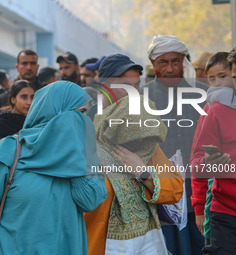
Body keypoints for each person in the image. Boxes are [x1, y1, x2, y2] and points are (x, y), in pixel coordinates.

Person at [0, 81, 107, 254]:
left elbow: (90, 200)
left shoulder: (82, 152)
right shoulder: (9, 152)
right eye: (81, 113)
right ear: (57, 113)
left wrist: (75, 153)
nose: (86, 120)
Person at [84, 54, 184, 255]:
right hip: (97, 245)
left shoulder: (142, 137)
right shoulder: (82, 133)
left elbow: (175, 190)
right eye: (126, 86)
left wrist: (143, 172)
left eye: (136, 86)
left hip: (146, 243)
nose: (133, 94)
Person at [144, 35, 208, 255]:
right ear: (153, 64)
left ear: (184, 61)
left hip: (200, 193)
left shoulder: (203, 94)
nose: (170, 68)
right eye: (163, 62)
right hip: (160, 194)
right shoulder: (142, 99)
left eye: (175, 61)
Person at [190, 47, 236, 255]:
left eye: (223, 77)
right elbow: (197, 162)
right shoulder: (214, 109)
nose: (219, 84)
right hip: (224, 212)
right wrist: (200, 209)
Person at [0, 50, 42, 125]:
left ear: (37, 67)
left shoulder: (47, 94)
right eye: (24, 63)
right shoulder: (4, 97)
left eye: (32, 63)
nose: (29, 67)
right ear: (17, 67)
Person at [0, 80, 34, 146]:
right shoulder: (2, 123)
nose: (29, 102)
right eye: (24, 97)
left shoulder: (34, 122)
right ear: (13, 100)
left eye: (32, 97)